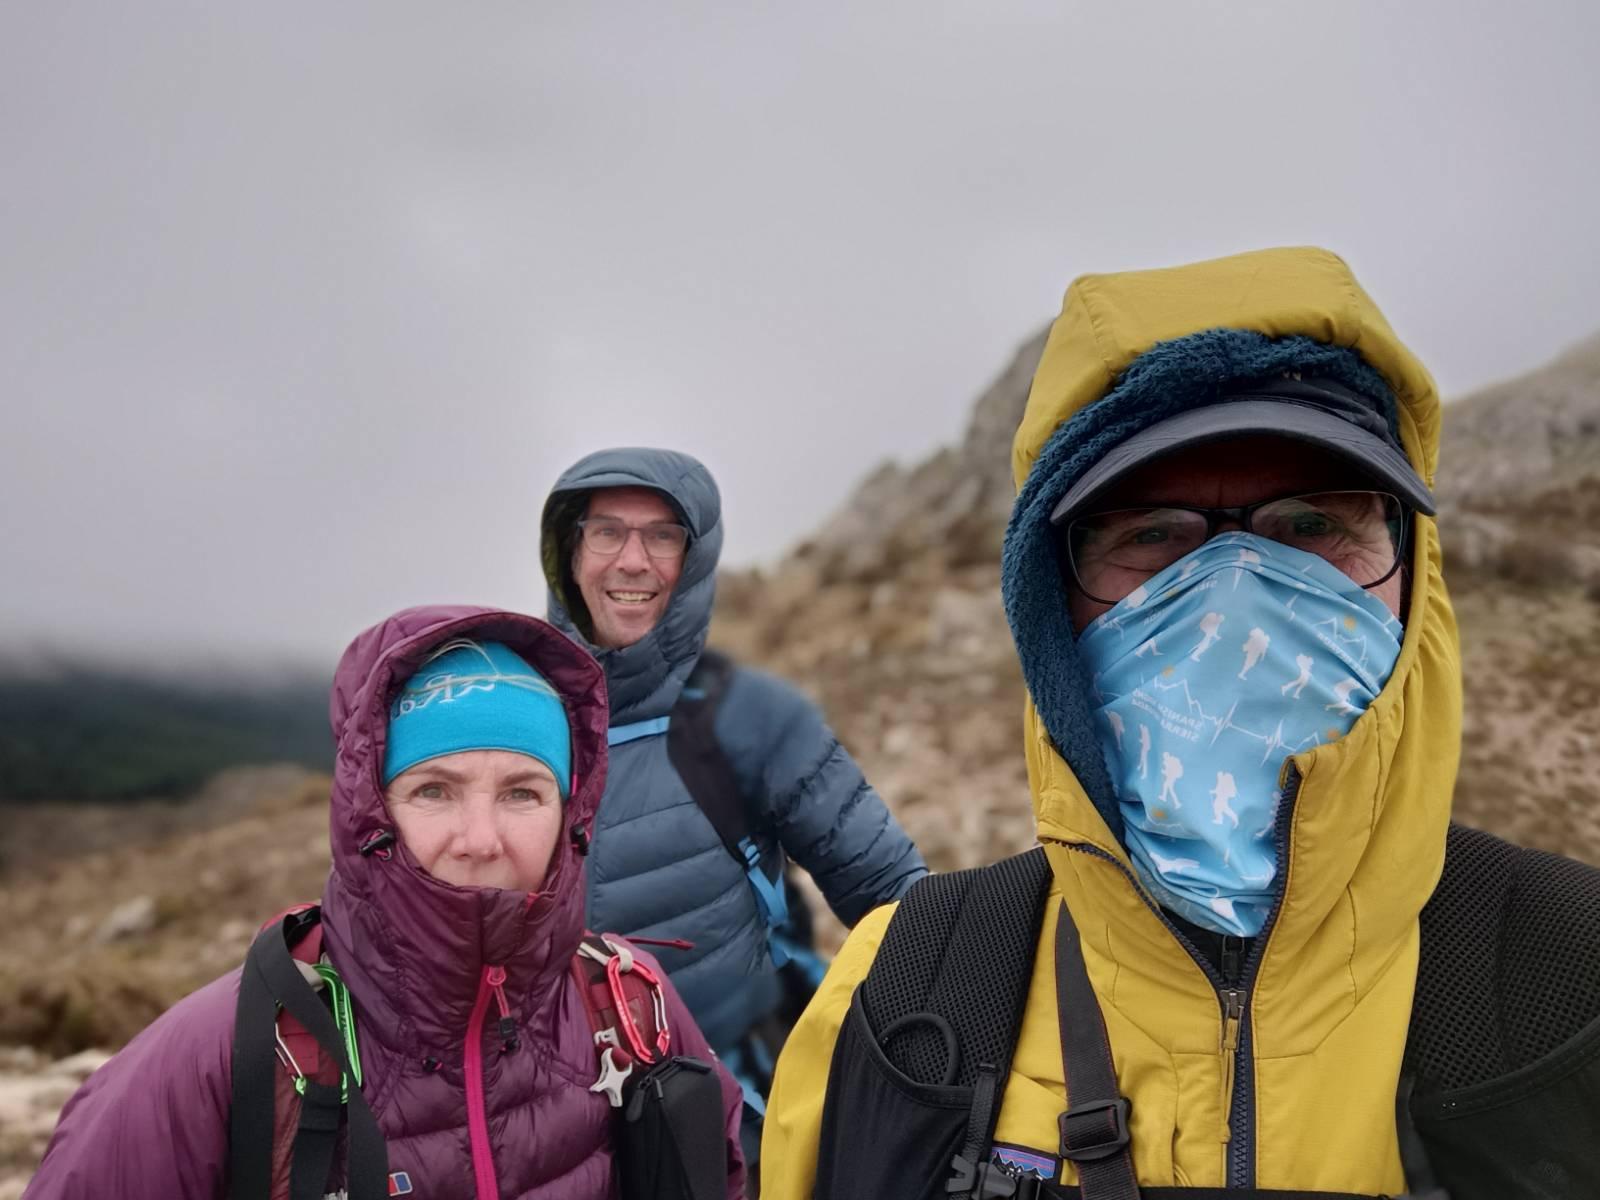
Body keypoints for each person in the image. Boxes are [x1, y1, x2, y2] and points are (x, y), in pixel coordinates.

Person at [762, 247, 1600, 1199]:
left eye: (1314, 525)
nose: (1236, 592)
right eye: (1151, 534)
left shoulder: (1575, 979)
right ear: (1050, 616)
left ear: (1416, 582)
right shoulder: (901, 997)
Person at [26, 606, 745, 1200]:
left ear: (571, 813)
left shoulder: (629, 1007)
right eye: (434, 789)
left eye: (523, 792)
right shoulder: (218, 1057)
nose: (480, 839)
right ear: (373, 810)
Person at [539, 448, 928, 1164]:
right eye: (607, 532)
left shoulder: (748, 718)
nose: (632, 561)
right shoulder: (518, 726)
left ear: (695, 561)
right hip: (558, 1135)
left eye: (662, 535)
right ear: (569, 550)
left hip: (739, 1123)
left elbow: (898, 903)